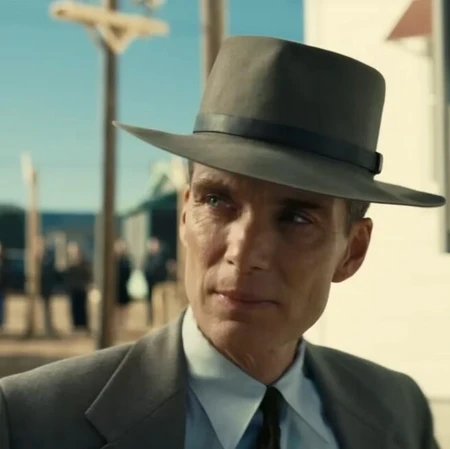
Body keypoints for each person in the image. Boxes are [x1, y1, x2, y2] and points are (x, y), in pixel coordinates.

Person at [0, 36, 444, 449]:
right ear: (185, 214)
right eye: (216, 201)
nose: (243, 253)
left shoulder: (396, 412)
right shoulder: (30, 421)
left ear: (352, 251)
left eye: (295, 218)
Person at [63, 242, 92, 335]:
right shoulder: (68, 264)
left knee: (82, 308)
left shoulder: (84, 263)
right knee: (73, 309)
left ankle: (84, 326)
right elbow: (65, 277)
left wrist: (87, 285)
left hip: (82, 289)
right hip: (73, 289)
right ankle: (76, 326)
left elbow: (88, 275)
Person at [142, 236, 169, 325]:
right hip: (150, 283)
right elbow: (146, 269)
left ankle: (161, 320)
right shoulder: (148, 257)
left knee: (160, 302)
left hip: (159, 284)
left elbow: (160, 270)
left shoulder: (161, 257)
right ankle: (151, 319)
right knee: (150, 303)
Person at [114, 239, 132, 331]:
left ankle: (123, 324)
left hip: (123, 286)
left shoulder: (126, 261)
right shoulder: (113, 260)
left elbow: (128, 273)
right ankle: (116, 323)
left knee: (124, 306)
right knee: (116, 306)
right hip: (115, 287)